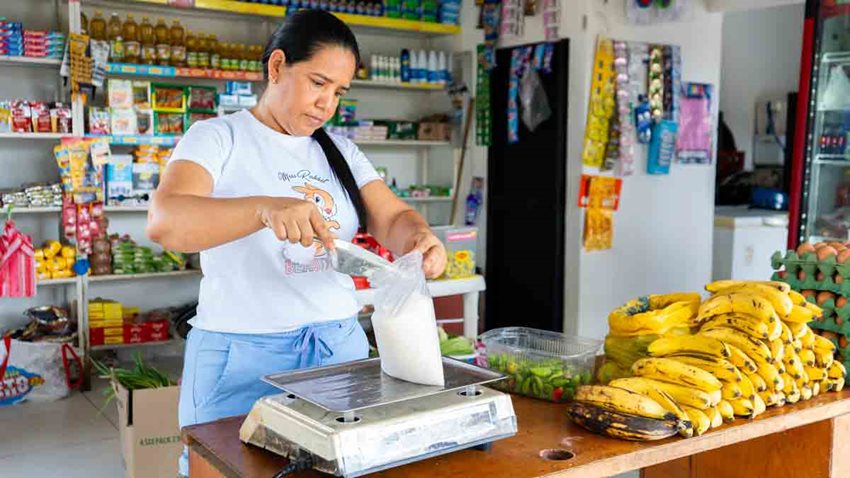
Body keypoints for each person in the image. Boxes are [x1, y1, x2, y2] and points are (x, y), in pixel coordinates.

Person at [145, 10, 447, 476]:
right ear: (277, 66)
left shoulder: (340, 150)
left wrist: (420, 238)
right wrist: (263, 209)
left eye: (339, 92)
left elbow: (395, 218)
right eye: (318, 82)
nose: (327, 104)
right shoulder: (217, 137)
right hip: (240, 354)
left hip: (336, 349)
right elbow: (167, 222)